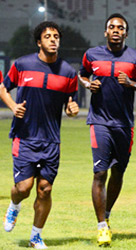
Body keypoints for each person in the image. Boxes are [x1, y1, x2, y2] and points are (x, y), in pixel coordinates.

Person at [0, 21, 79, 249]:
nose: (53, 39)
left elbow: (70, 105)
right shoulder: (23, 64)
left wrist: (72, 111)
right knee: (24, 188)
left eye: (56, 36)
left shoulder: (68, 72)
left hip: (51, 140)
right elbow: (3, 88)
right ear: (39, 41)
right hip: (24, 137)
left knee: (45, 189)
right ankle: (14, 205)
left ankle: (36, 236)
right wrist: (13, 107)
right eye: (48, 36)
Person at [78, 13, 136, 246]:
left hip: (124, 125)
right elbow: (81, 75)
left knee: (118, 173)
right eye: (112, 27)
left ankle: (107, 214)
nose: (116, 30)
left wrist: (131, 83)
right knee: (100, 173)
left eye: (121, 27)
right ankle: (101, 226)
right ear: (105, 32)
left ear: (126, 33)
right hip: (99, 121)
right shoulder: (92, 55)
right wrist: (89, 84)